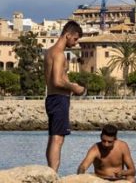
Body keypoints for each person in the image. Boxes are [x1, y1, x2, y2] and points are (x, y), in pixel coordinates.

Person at [45, 20, 86, 171]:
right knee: (58, 139)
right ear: (67, 35)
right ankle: (53, 173)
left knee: (53, 137)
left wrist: (68, 84)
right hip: (59, 99)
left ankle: (50, 171)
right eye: (75, 39)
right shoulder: (59, 55)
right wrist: (75, 87)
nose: (75, 43)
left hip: (52, 98)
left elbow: (56, 79)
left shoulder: (49, 52)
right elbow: (57, 81)